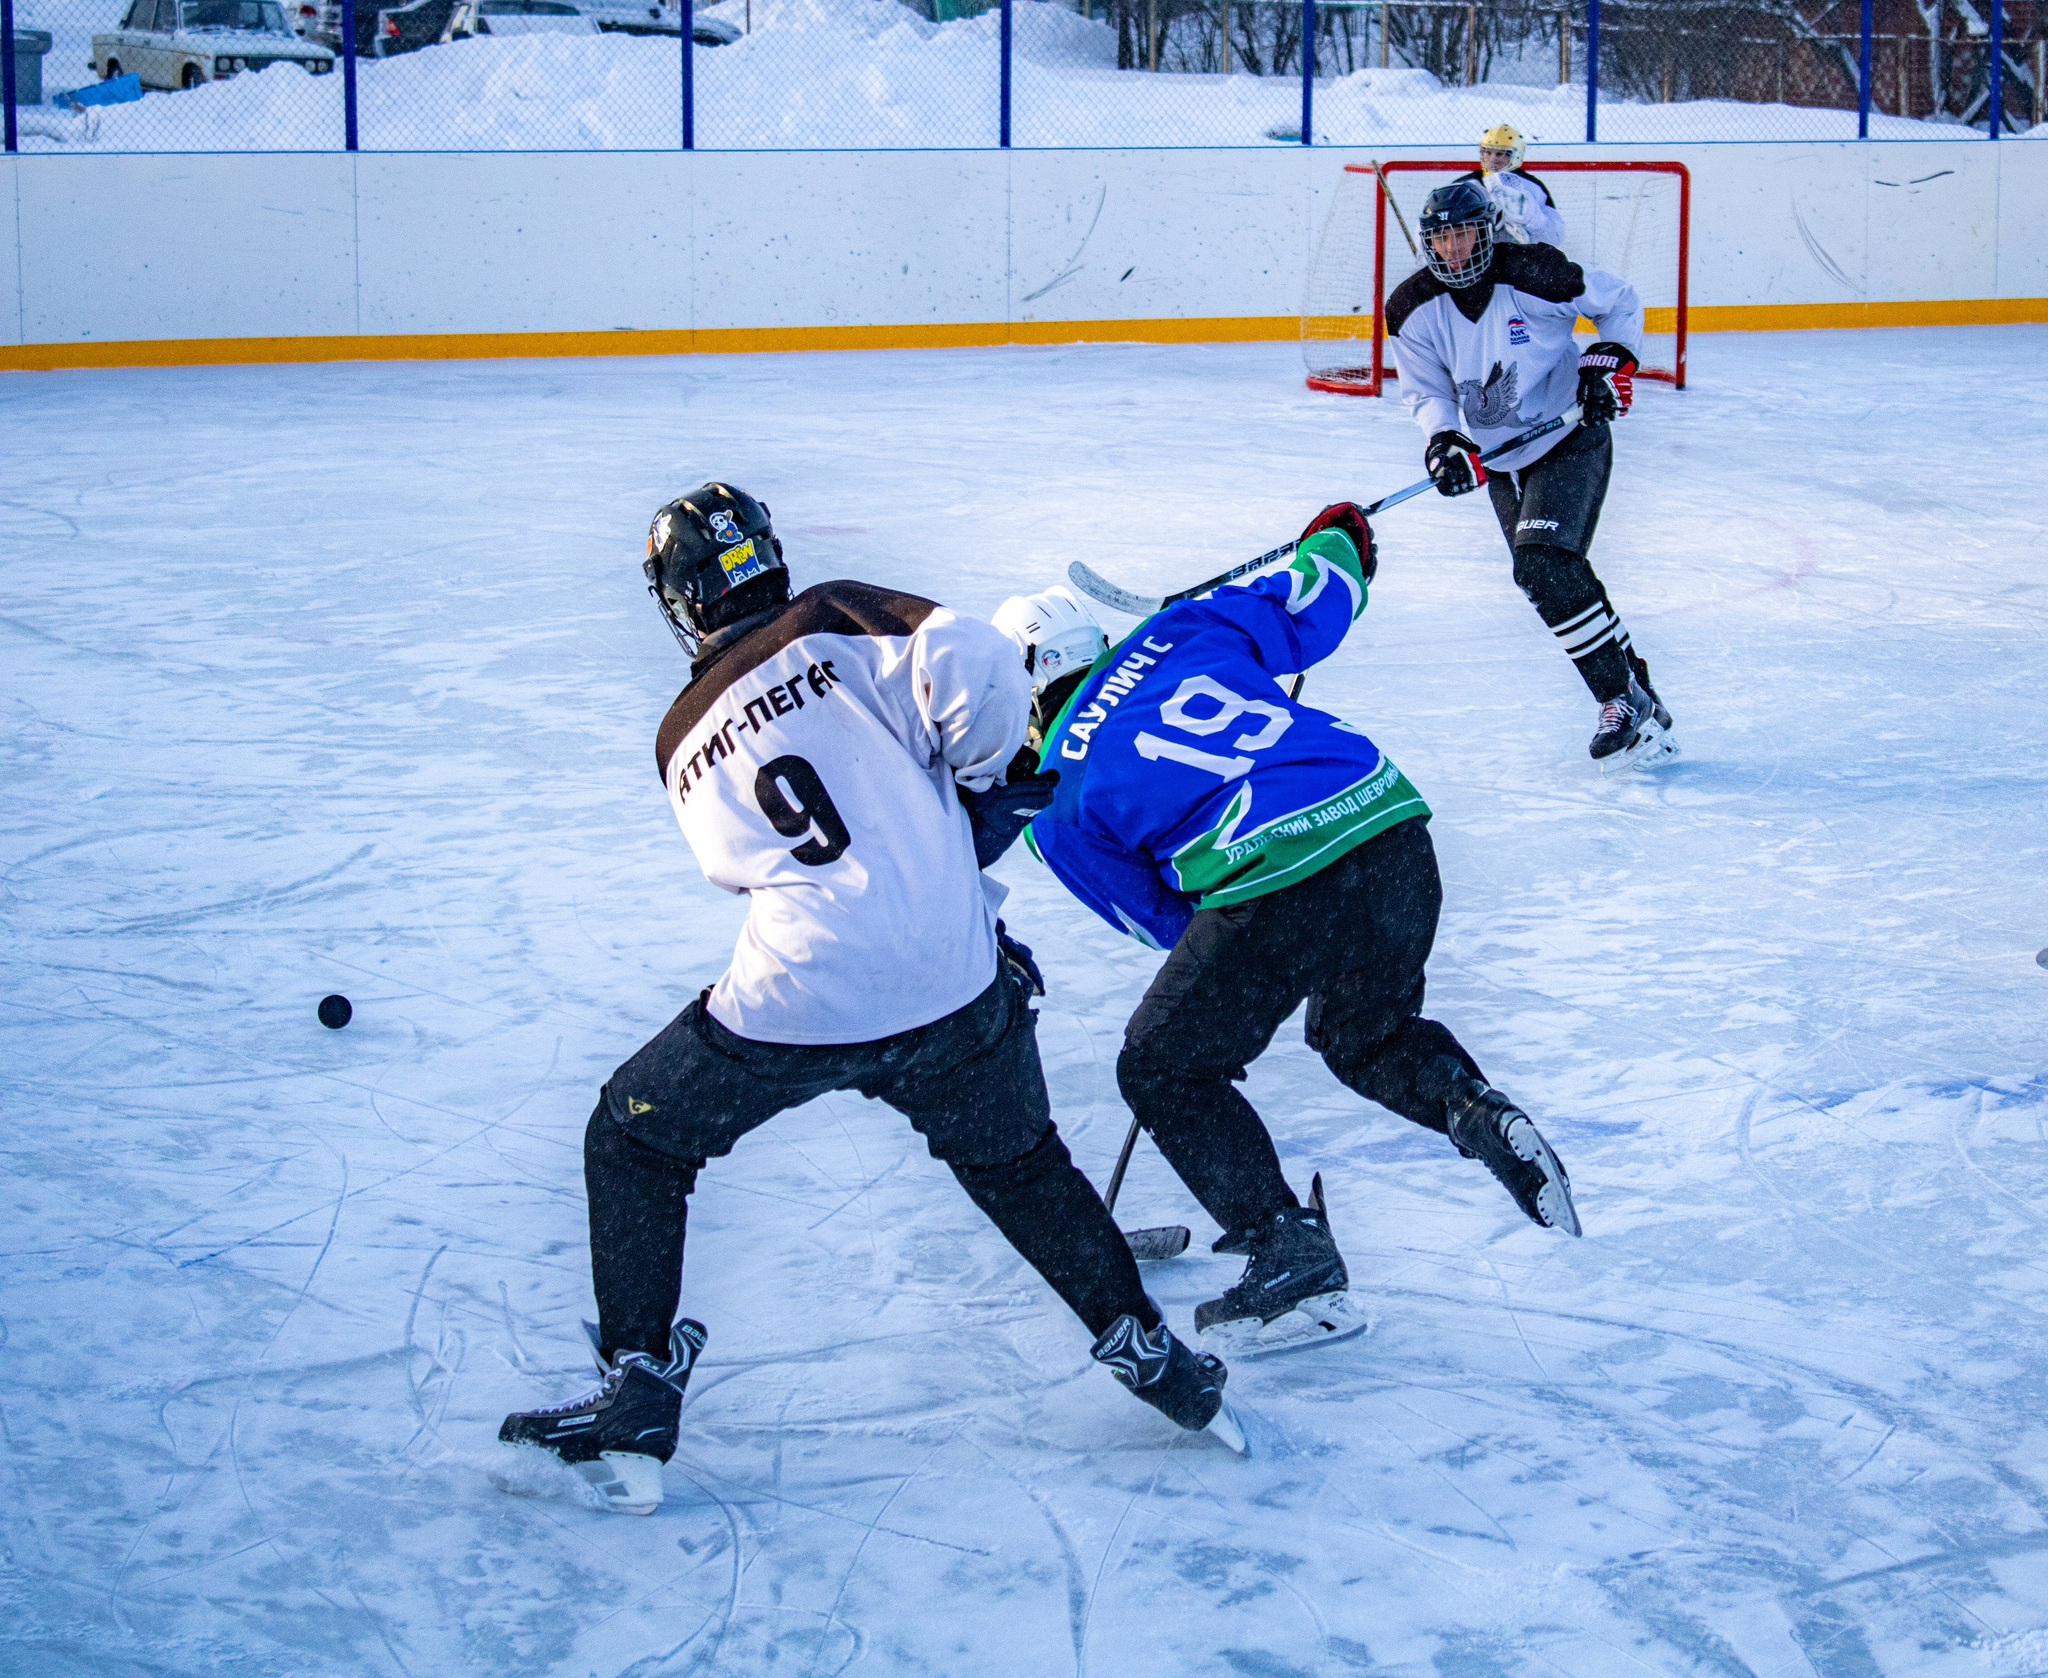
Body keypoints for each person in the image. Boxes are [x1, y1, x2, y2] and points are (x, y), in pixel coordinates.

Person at [497, 483, 1240, 1516]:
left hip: (798, 996)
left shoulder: (680, 734)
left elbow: (741, 864)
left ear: (684, 601)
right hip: (953, 981)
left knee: (635, 1138)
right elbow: (983, 666)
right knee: (1022, 1168)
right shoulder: (838, 612)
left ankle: (638, 1384)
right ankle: (1155, 1358)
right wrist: (979, 777)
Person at [987, 510, 1583, 1357]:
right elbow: (1321, 593)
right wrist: (1340, 539)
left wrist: (1258, 946)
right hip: (1391, 828)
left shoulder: (1056, 798)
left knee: (1160, 1065)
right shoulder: (1180, 629)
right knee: (1366, 1034)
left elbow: (1162, 921)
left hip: (1277, 879)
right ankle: (1472, 1108)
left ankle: (1287, 1251)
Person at [1388, 176, 1676, 771]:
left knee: (1542, 565)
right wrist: (1444, 440)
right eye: (1442, 239)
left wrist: (1606, 365)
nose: (1454, 249)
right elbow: (1427, 391)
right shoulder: (1411, 308)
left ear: (1488, 232)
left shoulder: (1536, 271)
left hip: (1571, 434)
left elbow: (1619, 300)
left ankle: (1618, 699)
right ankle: (1638, 686)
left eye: (1465, 234)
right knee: (1553, 572)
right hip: (1500, 459)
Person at [1467, 122, 1565, 248]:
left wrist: (1531, 217)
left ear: (1516, 155)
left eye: (1499, 154)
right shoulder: (1468, 184)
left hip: (1520, 255)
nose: (1492, 159)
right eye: (1488, 152)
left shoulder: (1533, 187)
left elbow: (1555, 238)